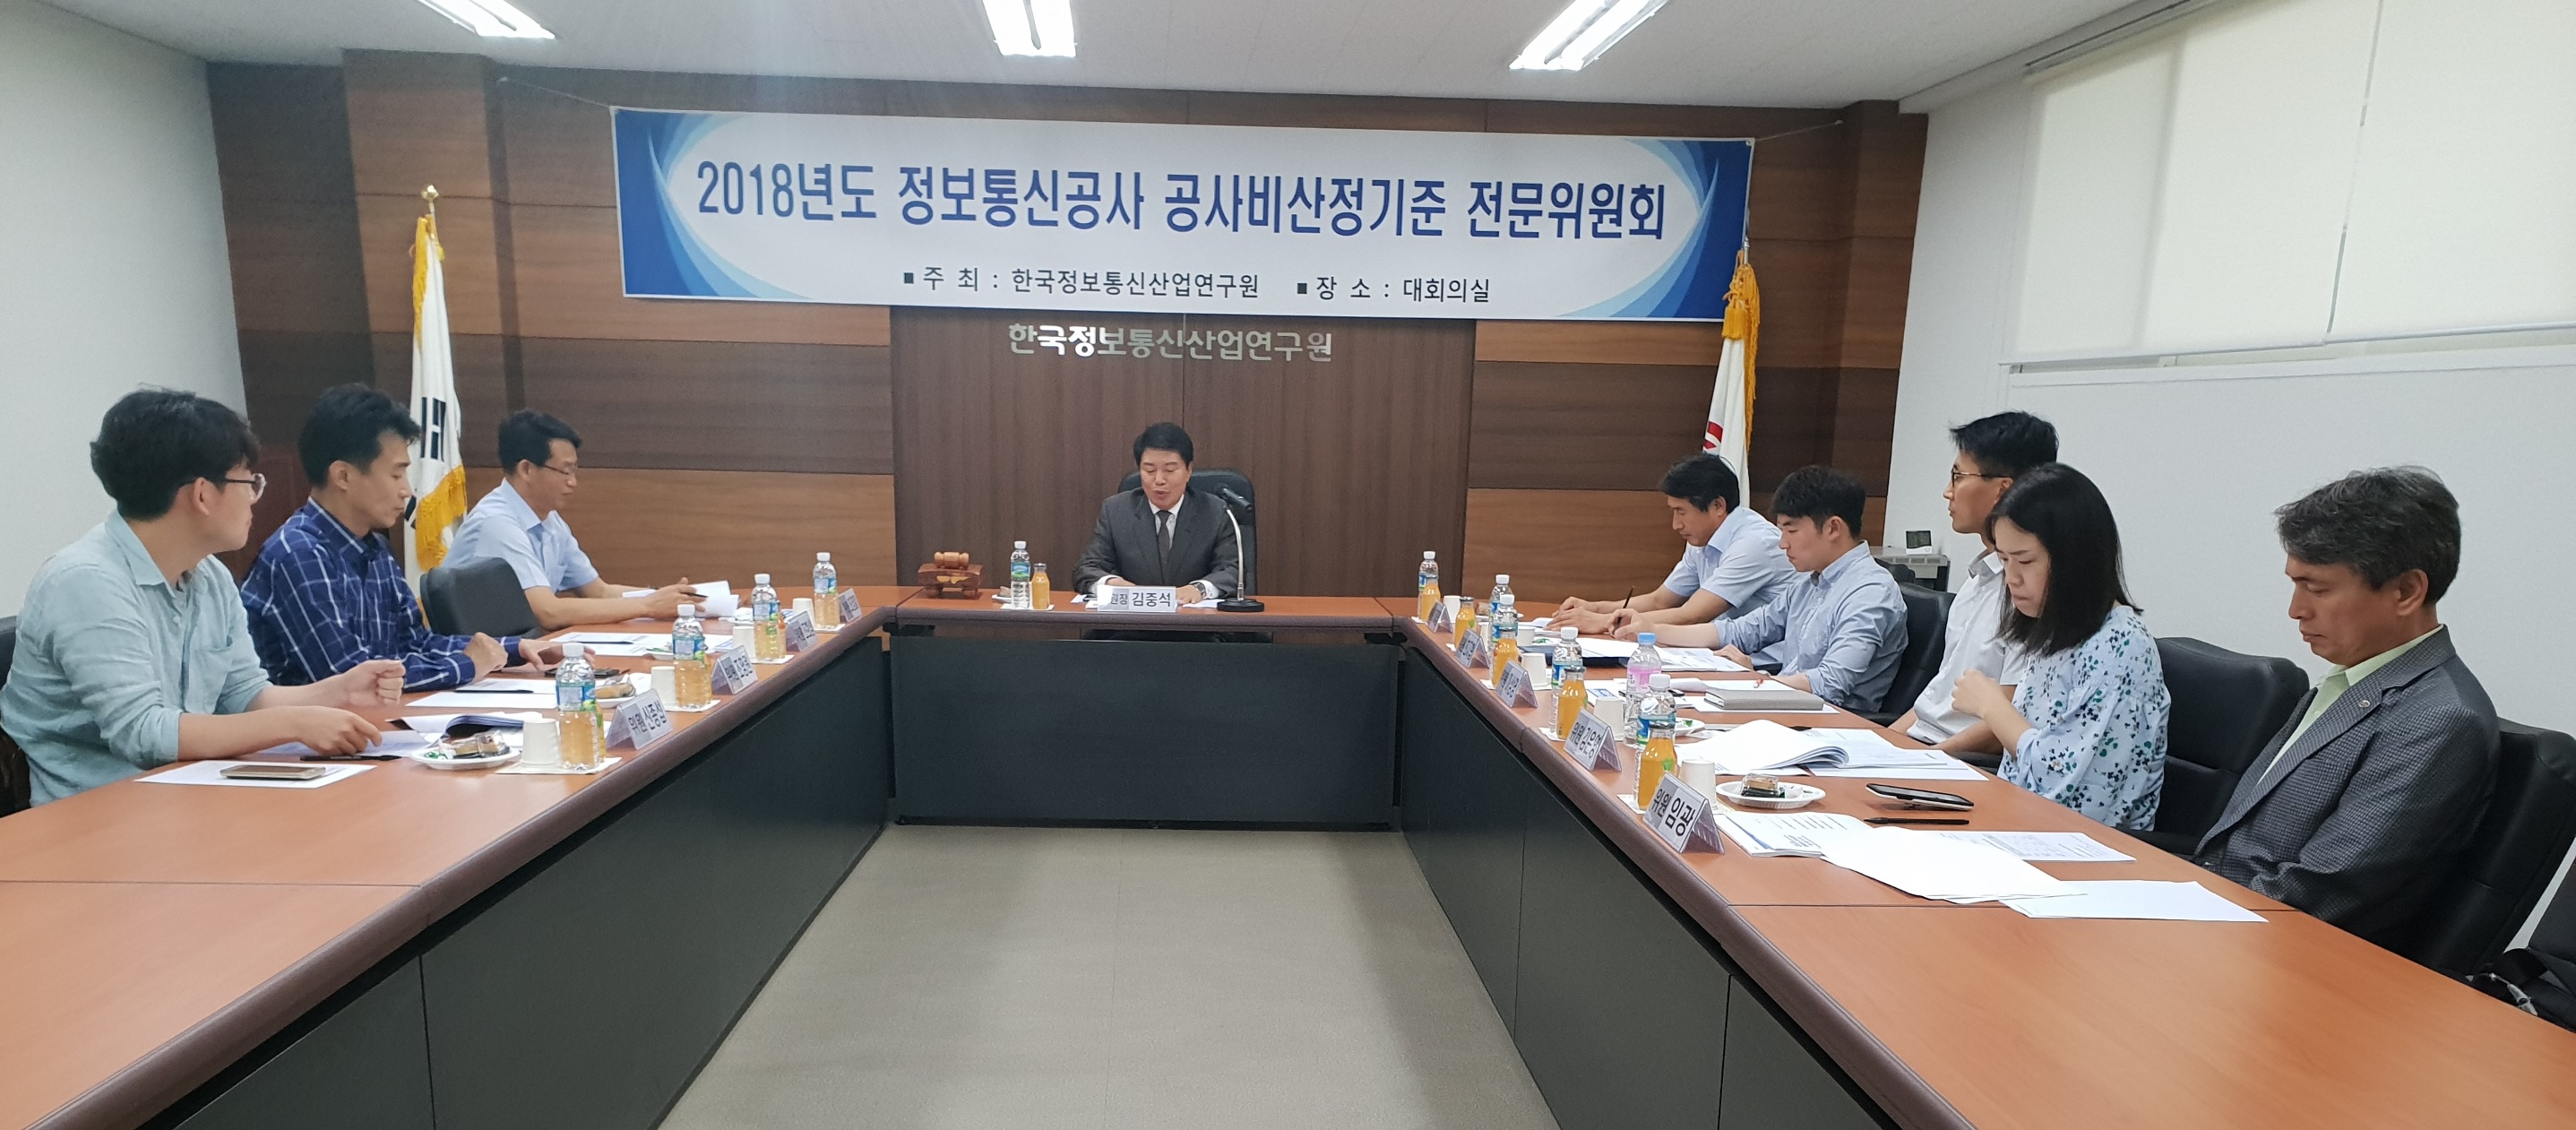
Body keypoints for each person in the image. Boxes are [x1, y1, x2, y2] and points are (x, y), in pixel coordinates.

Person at [1, 390, 402, 805]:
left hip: (184, 791)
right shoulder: (85, 581)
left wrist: (337, 692)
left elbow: (242, 695)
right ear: (203, 495)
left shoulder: (209, 576)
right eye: (249, 482)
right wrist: (295, 723)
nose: (254, 498)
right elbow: (143, 733)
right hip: (89, 810)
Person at [2194, 468, 2496, 946]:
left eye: (2317, 589)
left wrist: (2177, 919)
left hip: (2273, 948)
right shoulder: (2352, 678)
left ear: (2406, 592)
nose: (2296, 609)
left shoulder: (2439, 718)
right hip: (2217, 911)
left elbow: (2319, 893)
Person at [242, 385, 559, 692]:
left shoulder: (374, 547)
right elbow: (350, 676)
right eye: (396, 474)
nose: (407, 490)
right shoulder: (299, 554)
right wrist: (466, 665)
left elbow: (415, 643)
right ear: (343, 476)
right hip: (315, 725)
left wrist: (510, 649)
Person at [1951, 464, 2168, 831]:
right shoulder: (2055, 634)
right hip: (2016, 824)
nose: (2011, 578)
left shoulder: (2120, 646)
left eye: (2025, 561)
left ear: (2075, 559)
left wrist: (1993, 707)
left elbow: (2068, 794)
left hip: (2079, 845)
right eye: (2004, 560)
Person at [1638, 466, 1907, 713]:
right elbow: (1740, 632)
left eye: (1791, 531)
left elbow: (1830, 683)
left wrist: (1757, 680)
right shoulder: (1808, 583)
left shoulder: (1870, 592)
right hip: (1785, 707)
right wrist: (1648, 631)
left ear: (1833, 528)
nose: (1782, 544)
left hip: (1835, 723)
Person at [1891, 411, 2058, 754]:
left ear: (2003, 490)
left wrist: (1924, 758)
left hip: (1963, 761)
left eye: (1958, 477)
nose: (1947, 492)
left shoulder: (2029, 596)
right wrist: (1882, 743)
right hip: (1923, 747)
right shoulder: (1978, 579)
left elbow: (2007, 720)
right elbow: (1934, 703)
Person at [445, 410, 691, 630]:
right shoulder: (496, 523)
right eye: (565, 471)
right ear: (526, 469)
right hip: (478, 659)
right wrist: (648, 606)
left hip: (521, 650)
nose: (573, 482)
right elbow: (548, 612)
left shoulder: (550, 520)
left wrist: (668, 597)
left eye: (574, 471)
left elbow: (599, 591)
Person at [1552, 453, 1793, 635]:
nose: (1676, 525)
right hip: (1721, 654)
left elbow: (1692, 615)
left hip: (1762, 665)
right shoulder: (1702, 538)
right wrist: (1596, 608)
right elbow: (1661, 601)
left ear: (1718, 506)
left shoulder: (1754, 543)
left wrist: (1605, 622)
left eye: (1681, 512)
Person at [1073, 422, 1239, 602]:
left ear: (1188, 471)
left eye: (1170, 470)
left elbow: (1233, 571)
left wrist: (1199, 589)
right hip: (1134, 618)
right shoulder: (1116, 511)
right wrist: (1112, 583)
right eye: (1149, 470)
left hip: (1195, 617)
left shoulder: (1215, 512)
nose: (1159, 480)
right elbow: (1087, 569)